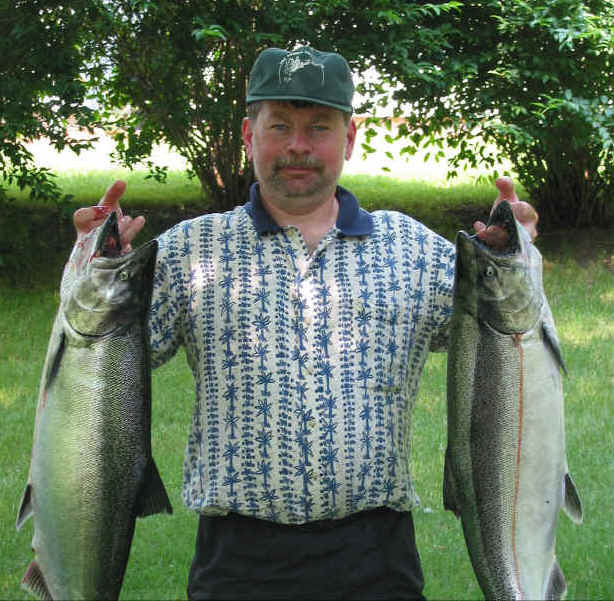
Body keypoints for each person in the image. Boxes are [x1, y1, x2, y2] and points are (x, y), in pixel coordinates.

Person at [64, 46, 539, 600]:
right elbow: (103, 356)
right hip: (235, 564)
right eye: (280, 126)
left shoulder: (413, 250)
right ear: (249, 135)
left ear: (350, 138)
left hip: (378, 561)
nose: (298, 145)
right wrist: (93, 265)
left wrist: (516, 254)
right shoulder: (189, 251)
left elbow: (507, 336)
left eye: (319, 127)